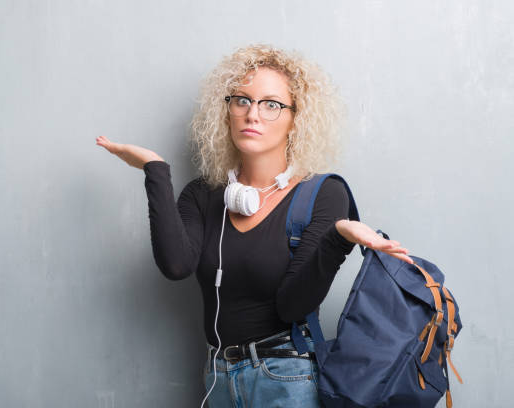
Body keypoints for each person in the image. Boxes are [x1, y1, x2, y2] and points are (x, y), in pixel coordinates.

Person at [96, 44, 413, 407]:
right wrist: (155, 170)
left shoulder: (323, 194)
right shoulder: (203, 195)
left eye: (271, 104)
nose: (253, 114)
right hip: (218, 377)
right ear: (227, 111)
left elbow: (293, 306)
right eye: (242, 100)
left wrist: (337, 239)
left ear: (297, 118)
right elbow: (176, 265)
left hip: (287, 378)